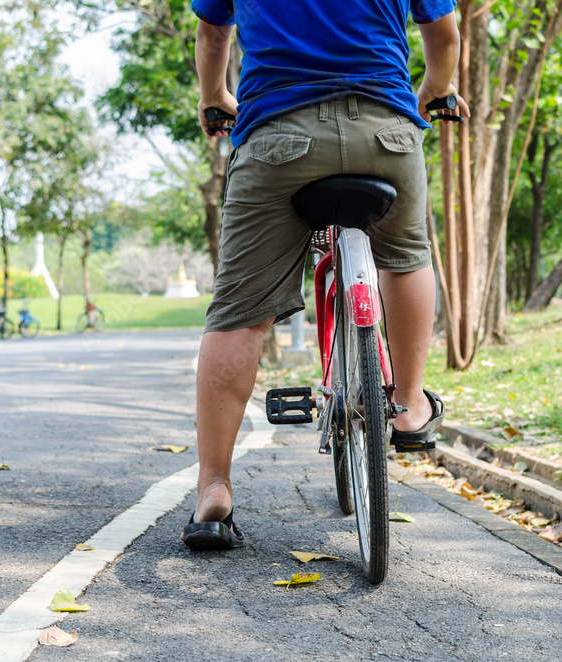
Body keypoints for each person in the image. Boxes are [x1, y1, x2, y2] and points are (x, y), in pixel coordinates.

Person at [182, 0, 469, 549]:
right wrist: (433, 87)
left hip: (278, 138)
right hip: (385, 133)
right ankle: (408, 405)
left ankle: (213, 491)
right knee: (407, 257)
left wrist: (214, 96)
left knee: (238, 314)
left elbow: (213, 33)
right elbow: (444, 34)